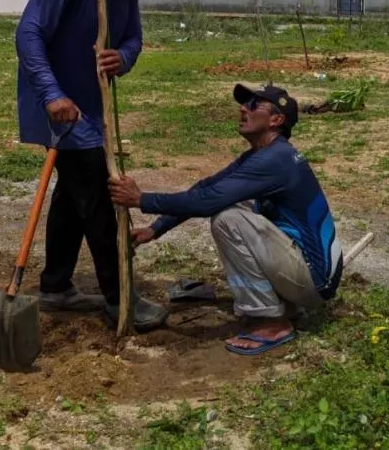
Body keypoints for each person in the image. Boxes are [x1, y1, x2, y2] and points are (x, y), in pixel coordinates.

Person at [108, 83, 343, 355]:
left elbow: (207, 202)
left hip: (314, 281)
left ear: (276, 120)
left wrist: (141, 199)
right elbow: (207, 188)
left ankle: (271, 322)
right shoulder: (263, 156)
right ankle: (286, 306)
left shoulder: (274, 160)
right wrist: (156, 228)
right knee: (235, 202)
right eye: (244, 104)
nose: (243, 109)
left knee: (227, 218)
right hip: (312, 275)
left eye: (254, 105)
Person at [15, 0, 168, 332]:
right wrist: (52, 94)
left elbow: (133, 38)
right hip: (61, 109)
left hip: (92, 110)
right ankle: (120, 298)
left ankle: (55, 286)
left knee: (72, 195)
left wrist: (124, 57)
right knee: (98, 196)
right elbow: (28, 33)